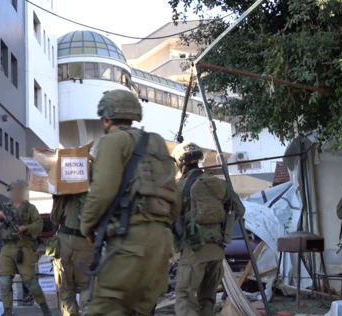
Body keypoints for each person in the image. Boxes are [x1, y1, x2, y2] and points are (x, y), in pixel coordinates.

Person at [79, 89, 181, 315]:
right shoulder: (157, 143)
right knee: (141, 309)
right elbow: (175, 198)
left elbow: (102, 192)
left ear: (105, 119)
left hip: (131, 240)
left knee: (106, 308)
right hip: (162, 242)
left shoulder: (112, 142)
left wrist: (86, 226)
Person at [171, 142, 245, 316]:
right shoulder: (218, 183)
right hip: (217, 251)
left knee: (184, 299)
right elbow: (240, 210)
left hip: (193, 251)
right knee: (206, 301)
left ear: (181, 163)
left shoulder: (178, 187)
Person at [0, 180, 51, 316]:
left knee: (31, 282)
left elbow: (39, 225)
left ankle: (45, 309)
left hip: (24, 247)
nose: (17, 193)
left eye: (19, 190)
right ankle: (8, 311)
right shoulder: (3, 207)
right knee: (5, 281)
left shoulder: (30, 208)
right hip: (7, 247)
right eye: (14, 190)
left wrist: (25, 228)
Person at [50, 192, 91, 316]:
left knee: (65, 285)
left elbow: (55, 218)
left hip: (64, 242)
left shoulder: (63, 190)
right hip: (86, 242)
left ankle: (70, 312)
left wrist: (57, 199)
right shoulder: (93, 190)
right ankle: (87, 311)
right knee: (86, 285)